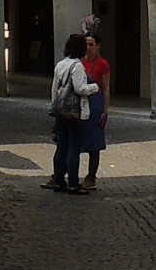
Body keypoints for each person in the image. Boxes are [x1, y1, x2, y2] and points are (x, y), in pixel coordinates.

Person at [46, 32, 97, 194]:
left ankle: (59, 181)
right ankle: (73, 184)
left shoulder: (60, 65)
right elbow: (80, 88)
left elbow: (54, 89)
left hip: (61, 112)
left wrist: (55, 106)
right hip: (75, 113)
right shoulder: (77, 66)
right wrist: (94, 87)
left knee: (61, 147)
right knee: (74, 148)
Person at [79, 31, 111, 191]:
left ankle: (91, 176)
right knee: (75, 139)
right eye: (86, 44)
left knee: (94, 141)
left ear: (97, 46)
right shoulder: (78, 62)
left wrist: (105, 110)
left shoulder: (102, 64)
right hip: (80, 102)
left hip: (95, 103)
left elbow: (105, 88)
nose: (88, 47)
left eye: (91, 44)